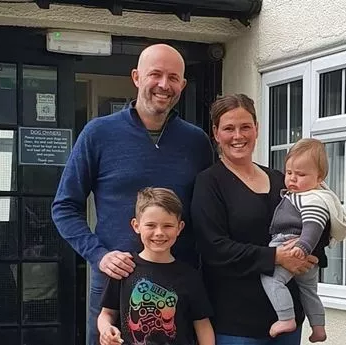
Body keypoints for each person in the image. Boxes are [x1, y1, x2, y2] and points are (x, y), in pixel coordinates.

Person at [52, 44, 213, 345]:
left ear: (183, 85)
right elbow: (64, 207)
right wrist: (99, 255)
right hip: (116, 283)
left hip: (180, 286)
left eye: (173, 77)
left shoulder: (196, 142)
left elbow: (210, 212)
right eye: (156, 74)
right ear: (137, 77)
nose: (164, 85)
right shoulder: (98, 134)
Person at [191, 94, 322, 345]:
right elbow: (214, 248)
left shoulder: (280, 179)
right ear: (216, 133)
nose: (238, 136)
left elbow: (315, 218)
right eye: (229, 128)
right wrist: (276, 258)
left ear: (257, 129)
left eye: (245, 127)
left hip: (288, 320)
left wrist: (313, 254)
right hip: (236, 323)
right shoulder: (209, 183)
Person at [260, 138, 346, 342]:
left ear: (319, 177)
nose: (293, 179)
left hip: (291, 246)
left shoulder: (312, 199)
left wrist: (302, 247)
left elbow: (313, 226)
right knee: (309, 291)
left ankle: (286, 318)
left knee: (271, 279)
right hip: (307, 254)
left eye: (301, 174)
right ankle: (318, 328)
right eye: (290, 173)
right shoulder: (305, 194)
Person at [98, 187, 215, 345]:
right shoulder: (125, 267)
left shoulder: (189, 276)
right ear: (136, 226)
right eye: (151, 225)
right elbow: (107, 314)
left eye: (167, 226)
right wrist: (105, 330)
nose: (159, 232)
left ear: (179, 227)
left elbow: (202, 325)